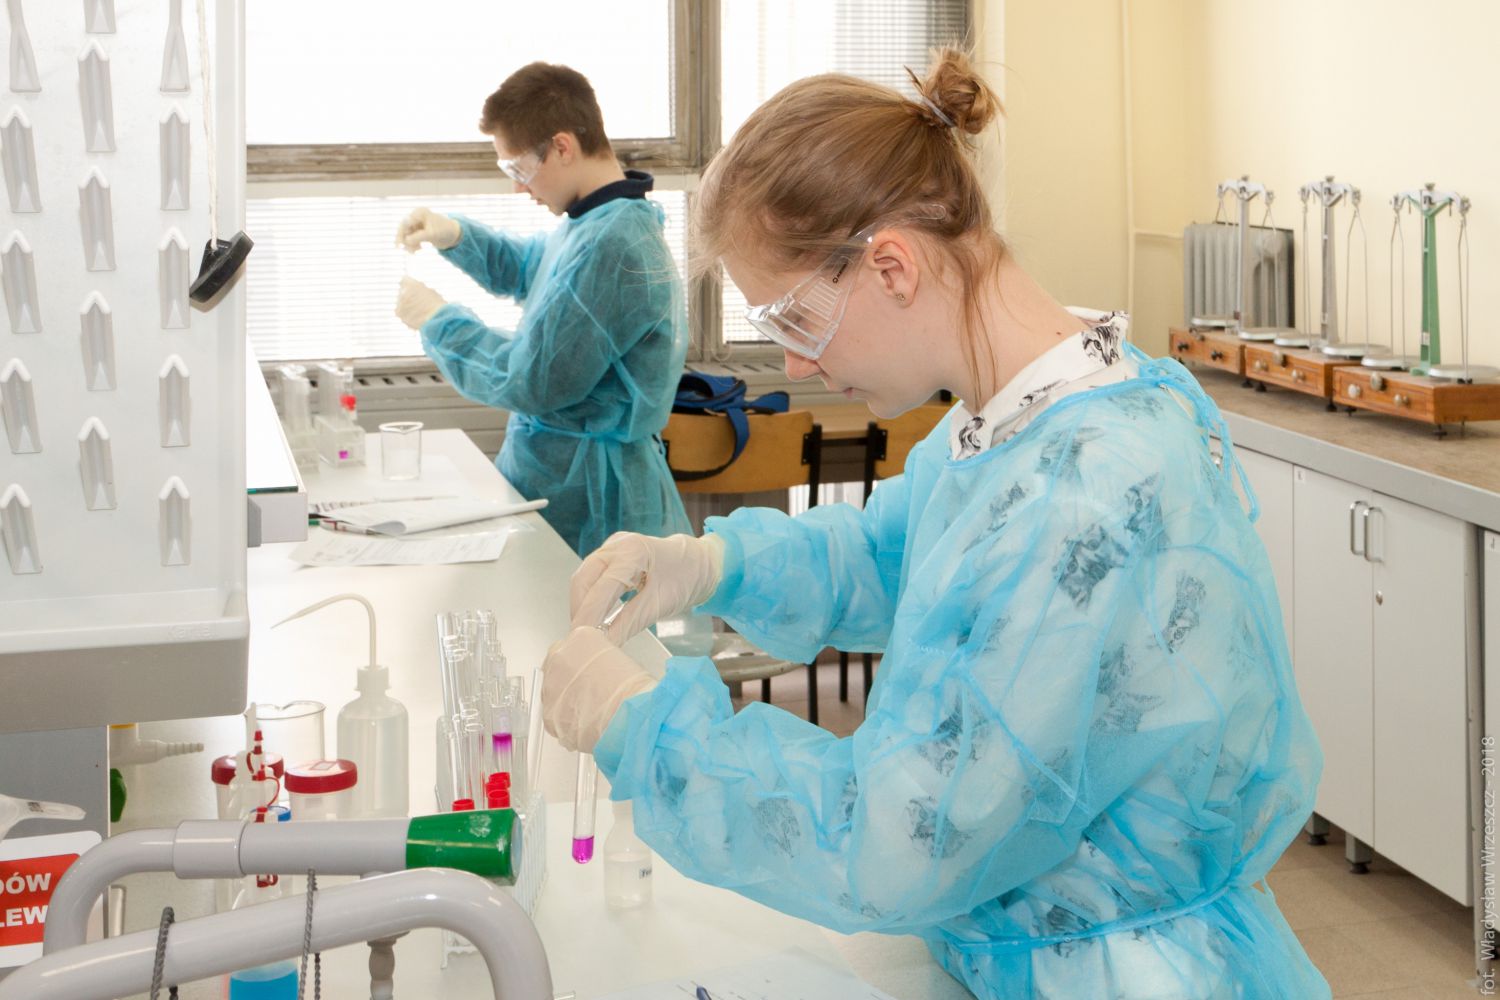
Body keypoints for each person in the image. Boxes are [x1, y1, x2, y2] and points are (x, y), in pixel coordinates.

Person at [542, 49, 1328, 1000]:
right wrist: (713, 563)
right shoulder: (1010, 414)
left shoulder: (1082, 487)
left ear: (891, 265)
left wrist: (650, 734)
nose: (795, 365)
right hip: (1016, 957)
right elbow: (893, 556)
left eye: (792, 320)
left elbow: (902, 836)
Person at [393, 62, 690, 556]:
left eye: (519, 169)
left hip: (594, 496)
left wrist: (440, 323)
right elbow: (533, 268)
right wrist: (457, 236)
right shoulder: (592, 222)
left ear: (562, 147)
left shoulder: (613, 244)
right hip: (565, 477)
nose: (518, 187)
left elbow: (534, 379)